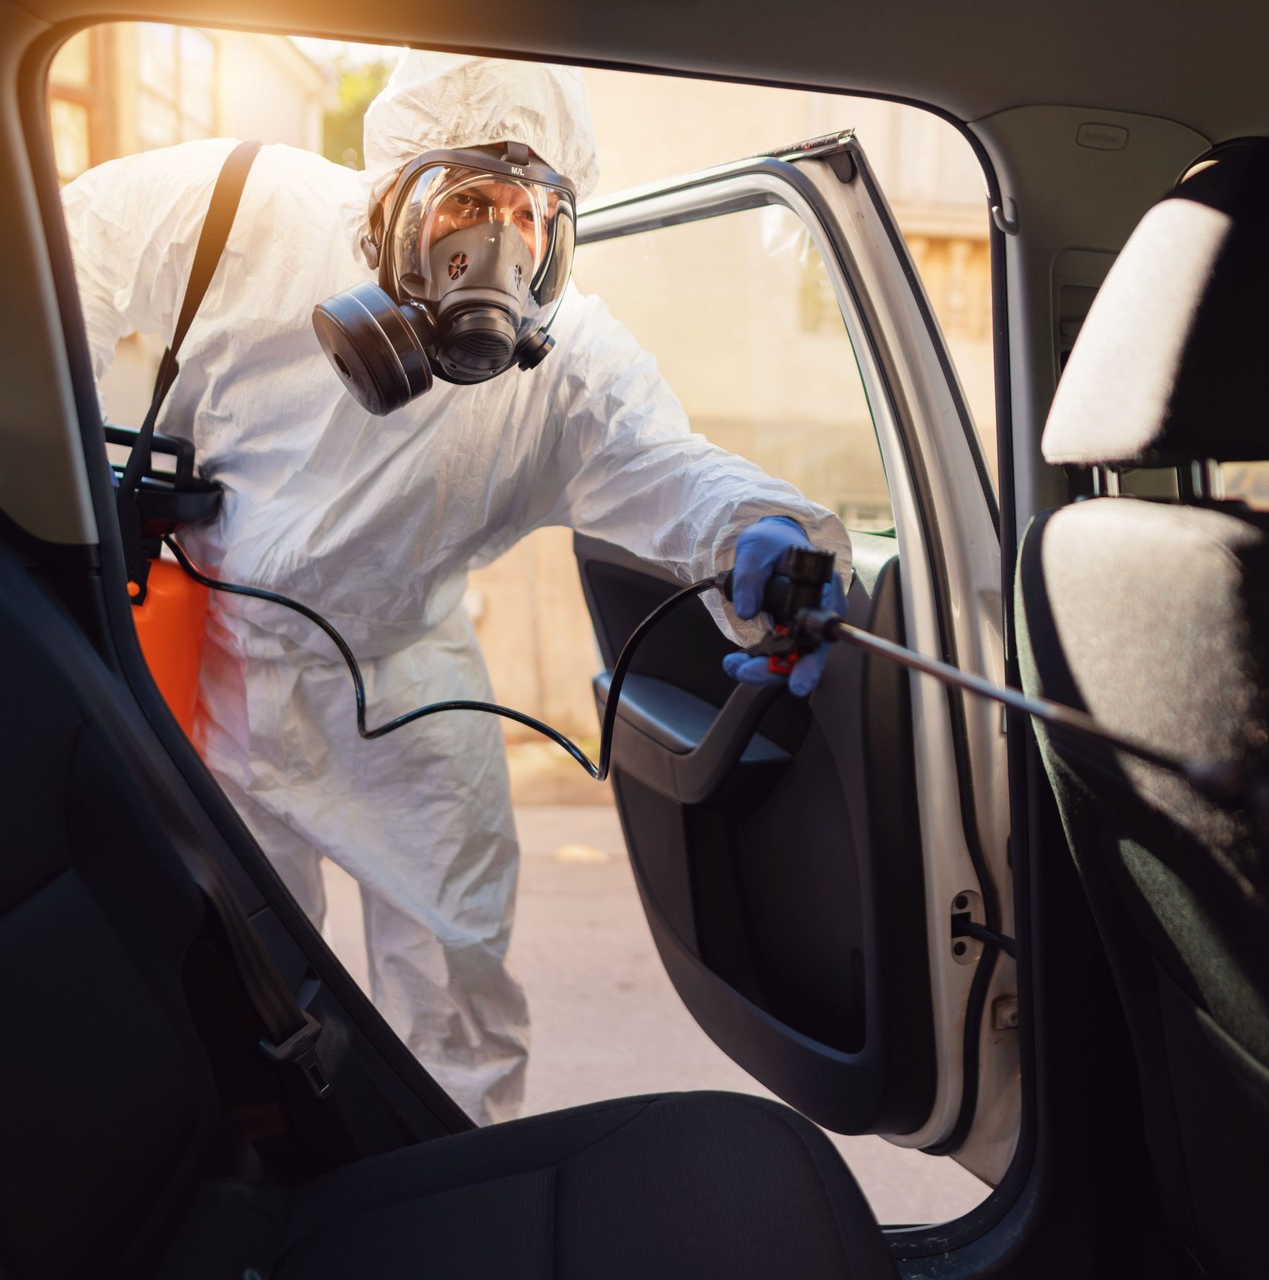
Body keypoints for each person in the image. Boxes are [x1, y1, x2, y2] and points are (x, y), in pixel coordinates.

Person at [63, 51, 850, 1124]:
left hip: (407, 693)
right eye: (469, 200)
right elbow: (43, 267)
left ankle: (458, 1201)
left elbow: (668, 462)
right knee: (220, 978)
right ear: (388, 196)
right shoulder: (239, 209)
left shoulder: (567, 363)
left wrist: (762, 528)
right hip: (207, 663)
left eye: (533, 216)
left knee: (456, 1006)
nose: (499, 246)